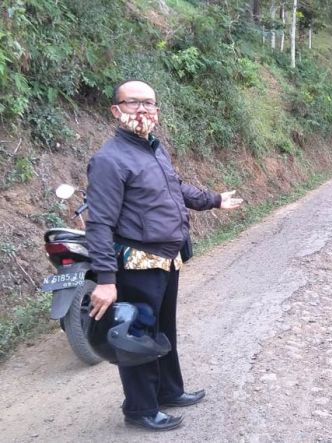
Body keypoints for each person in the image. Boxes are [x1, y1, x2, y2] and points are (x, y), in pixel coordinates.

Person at [86, 80, 243, 432]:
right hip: (136, 264)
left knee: (163, 329)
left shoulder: (155, 149)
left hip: (166, 260)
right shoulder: (109, 159)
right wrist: (107, 281)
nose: (141, 110)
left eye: (148, 104)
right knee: (138, 336)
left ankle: (169, 391)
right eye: (132, 103)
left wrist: (214, 200)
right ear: (116, 110)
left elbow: (176, 186)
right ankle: (140, 408)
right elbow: (99, 224)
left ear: (157, 111)